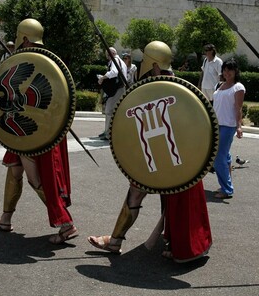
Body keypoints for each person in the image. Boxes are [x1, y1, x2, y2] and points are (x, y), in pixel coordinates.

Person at [88, 40, 213, 263]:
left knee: (146, 193)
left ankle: (122, 240)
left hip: (173, 161)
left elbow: (192, 130)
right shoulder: (161, 88)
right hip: (158, 158)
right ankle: (116, 240)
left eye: (145, 62)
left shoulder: (175, 90)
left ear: (154, 65)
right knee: (139, 191)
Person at [0, 18, 78, 244]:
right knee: (14, 169)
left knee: (37, 177)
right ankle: (5, 219)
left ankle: (66, 224)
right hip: (22, 126)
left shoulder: (40, 61)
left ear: (24, 38)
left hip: (35, 133)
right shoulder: (44, 59)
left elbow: (60, 99)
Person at [211, 59, 245, 199]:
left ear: (235, 71)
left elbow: (238, 108)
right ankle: (227, 184)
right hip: (216, 125)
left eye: (230, 70)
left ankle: (227, 189)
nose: (227, 73)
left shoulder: (238, 87)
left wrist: (239, 126)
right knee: (225, 155)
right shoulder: (219, 85)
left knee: (218, 157)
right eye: (225, 70)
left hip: (228, 125)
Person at [97, 47, 127, 141]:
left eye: (107, 54)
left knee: (109, 111)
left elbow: (114, 72)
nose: (107, 57)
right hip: (121, 88)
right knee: (114, 111)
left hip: (116, 89)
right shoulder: (121, 61)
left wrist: (102, 78)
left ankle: (108, 134)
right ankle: (107, 131)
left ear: (111, 54)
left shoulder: (115, 61)